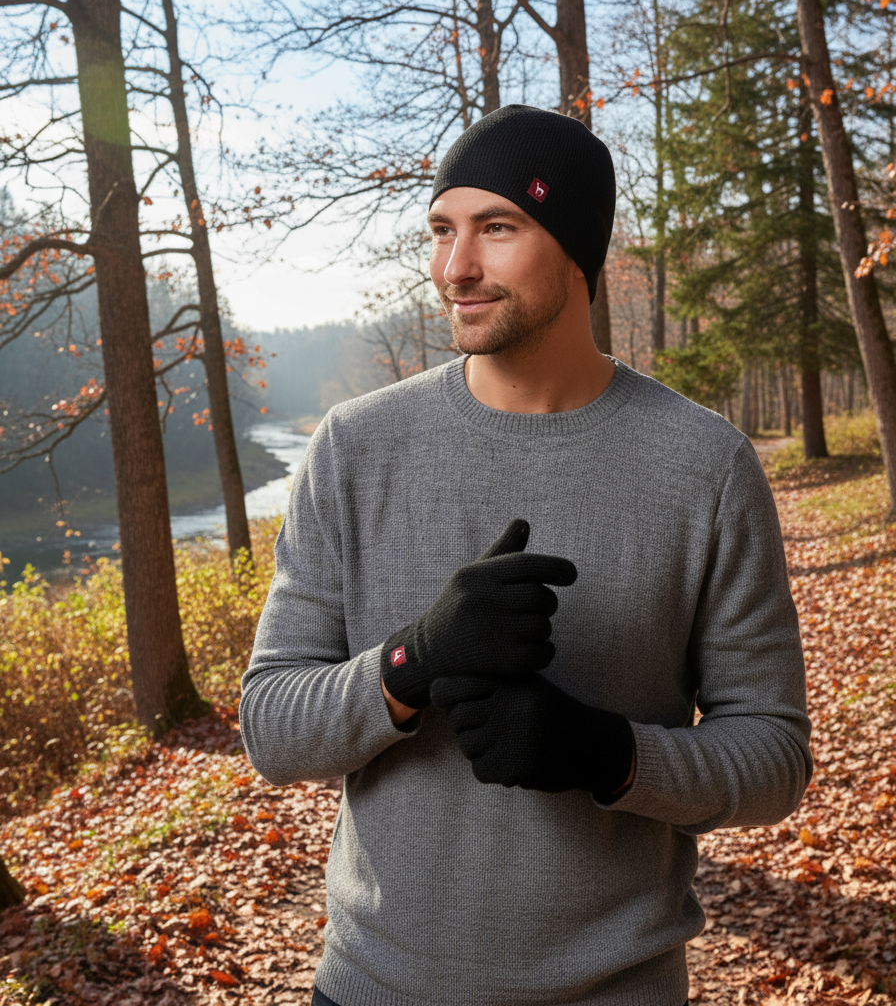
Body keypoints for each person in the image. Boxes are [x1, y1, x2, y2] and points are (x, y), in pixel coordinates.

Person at [240, 104, 812, 1006]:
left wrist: (607, 754)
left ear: (578, 250)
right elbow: (271, 727)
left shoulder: (704, 465)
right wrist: (412, 661)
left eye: (497, 227)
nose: (454, 267)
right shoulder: (354, 448)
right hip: (372, 988)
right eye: (442, 230)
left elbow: (773, 756)